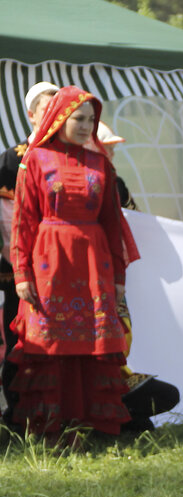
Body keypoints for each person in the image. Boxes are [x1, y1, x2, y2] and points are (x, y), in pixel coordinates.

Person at [9, 86, 139, 440]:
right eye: (78, 118)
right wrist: (22, 273)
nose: (86, 126)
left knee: (92, 342)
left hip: (94, 265)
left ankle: (90, 426)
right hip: (48, 262)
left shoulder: (101, 164)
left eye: (91, 120)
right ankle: (48, 428)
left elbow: (113, 223)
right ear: (60, 118)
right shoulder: (35, 160)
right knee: (50, 342)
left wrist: (119, 277)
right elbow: (23, 222)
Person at [89, 121, 182, 431]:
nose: (113, 153)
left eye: (114, 149)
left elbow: (137, 220)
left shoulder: (117, 183)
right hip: (88, 279)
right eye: (108, 147)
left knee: (121, 333)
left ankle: (117, 405)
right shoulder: (86, 181)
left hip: (114, 277)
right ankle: (99, 411)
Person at [0, 81, 58, 420]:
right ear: (30, 115)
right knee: (18, 338)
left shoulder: (71, 156)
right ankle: (18, 414)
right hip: (18, 271)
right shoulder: (10, 160)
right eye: (46, 109)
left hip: (62, 271)